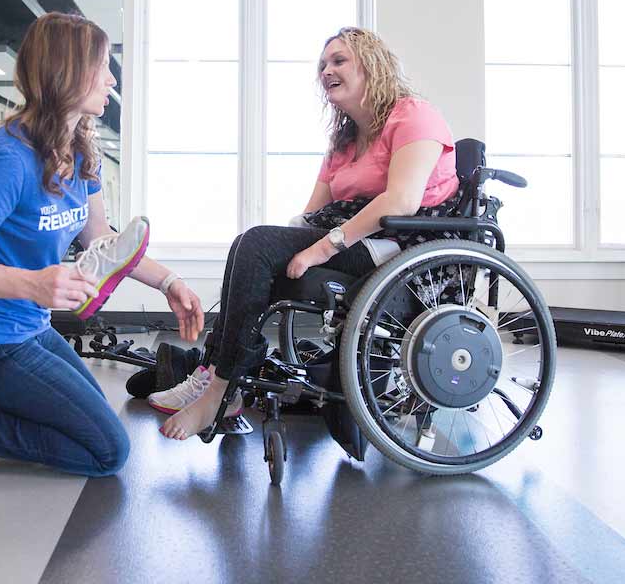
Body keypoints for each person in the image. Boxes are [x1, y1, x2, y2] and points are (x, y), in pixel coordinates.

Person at [0, 12, 205, 484]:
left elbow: (103, 241)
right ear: (68, 71)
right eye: (102, 65)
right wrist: (33, 284)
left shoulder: (79, 153)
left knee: (85, 418)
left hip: (31, 330)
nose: (111, 78)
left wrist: (169, 282)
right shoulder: (6, 157)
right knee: (108, 450)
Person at [156, 27, 461, 440]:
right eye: (322, 65)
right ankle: (216, 374)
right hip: (355, 239)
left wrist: (319, 250)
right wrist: (285, 246)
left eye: (338, 61)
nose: (326, 71)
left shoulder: (414, 115)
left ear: (372, 65)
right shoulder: (344, 141)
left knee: (258, 244)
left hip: (401, 248)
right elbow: (312, 214)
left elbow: (402, 202)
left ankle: (218, 393)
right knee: (253, 245)